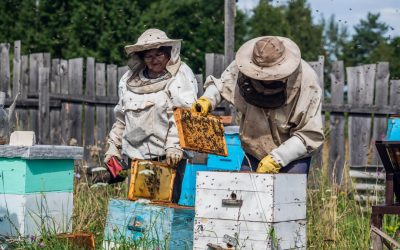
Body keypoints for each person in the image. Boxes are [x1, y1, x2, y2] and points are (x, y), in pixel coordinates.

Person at [192, 36, 324, 174]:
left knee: (288, 195)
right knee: (244, 193)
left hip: (292, 157)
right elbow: (222, 85)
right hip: (254, 150)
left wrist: (277, 159)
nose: (263, 80)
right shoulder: (243, 65)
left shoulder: (307, 82)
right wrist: (207, 99)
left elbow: (309, 134)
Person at [104, 28, 198, 202]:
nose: (154, 60)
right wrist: (113, 146)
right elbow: (121, 118)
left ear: (168, 53)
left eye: (159, 54)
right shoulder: (128, 80)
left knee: (165, 207)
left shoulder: (181, 75)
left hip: (168, 157)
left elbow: (183, 113)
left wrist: (174, 145)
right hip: (136, 157)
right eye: (149, 56)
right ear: (141, 57)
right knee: (139, 212)